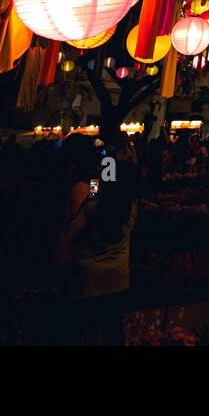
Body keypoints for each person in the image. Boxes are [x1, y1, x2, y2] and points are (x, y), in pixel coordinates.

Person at [59, 136, 140, 345]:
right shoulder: (129, 207)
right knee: (113, 329)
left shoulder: (90, 205)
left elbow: (72, 234)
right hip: (119, 277)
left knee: (84, 332)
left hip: (89, 280)